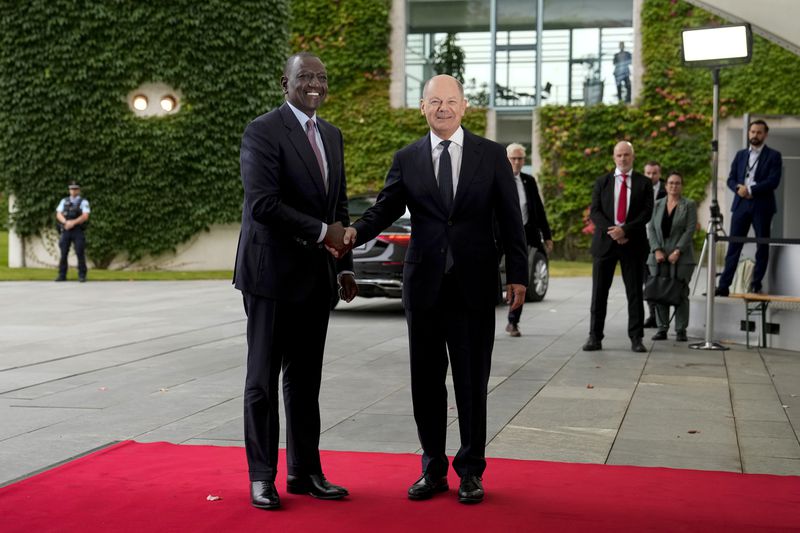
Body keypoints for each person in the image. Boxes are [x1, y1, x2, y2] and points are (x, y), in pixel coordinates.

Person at [338, 75, 528, 504]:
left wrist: (518, 273)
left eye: (450, 101)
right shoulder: (408, 158)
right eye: (434, 101)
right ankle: (433, 469)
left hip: (474, 287)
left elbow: (510, 218)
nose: (443, 108)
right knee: (425, 382)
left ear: (464, 107)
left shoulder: (491, 155)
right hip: (423, 288)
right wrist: (353, 231)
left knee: (471, 381)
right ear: (422, 108)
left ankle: (471, 471)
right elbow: (385, 207)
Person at [233, 52, 358, 511]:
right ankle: (261, 477)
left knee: (306, 381)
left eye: (321, 78)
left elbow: (338, 204)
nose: (315, 84)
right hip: (269, 276)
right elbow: (263, 204)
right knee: (262, 380)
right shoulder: (262, 131)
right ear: (284, 82)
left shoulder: (332, 134)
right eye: (305, 76)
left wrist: (344, 263)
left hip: (315, 277)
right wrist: (325, 233)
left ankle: (305, 472)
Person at [583, 141, 654, 353]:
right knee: (599, 293)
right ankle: (595, 337)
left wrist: (626, 231)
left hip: (633, 245)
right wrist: (614, 231)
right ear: (614, 157)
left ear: (633, 156)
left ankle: (636, 338)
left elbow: (647, 212)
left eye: (626, 155)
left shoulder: (644, 183)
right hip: (605, 244)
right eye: (619, 155)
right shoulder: (601, 182)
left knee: (634, 293)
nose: (623, 159)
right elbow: (595, 212)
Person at [715, 119, 783, 296]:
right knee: (733, 246)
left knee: (762, 245)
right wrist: (738, 189)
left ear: (765, 134)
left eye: (759, 132)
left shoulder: (774, 155)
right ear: (748, 133)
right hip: (740, 205)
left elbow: (773, 181)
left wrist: (751, 189)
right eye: (752, 132)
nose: (755, 135)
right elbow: (730, 179)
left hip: (762, 205)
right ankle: (723, 286)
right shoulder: (740, 155)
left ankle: (756, 284)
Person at [504, 142, 553, 337]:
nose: (516, 162)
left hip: (524, 235)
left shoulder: (528, 181)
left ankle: (513, 321)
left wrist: (547, 236)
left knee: (520, 277)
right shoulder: (496, 179)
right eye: (513, 158)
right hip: (500, 236)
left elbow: (538, 210)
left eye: (520, 159)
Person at [647, 172, 697, 342]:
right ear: (666, 186)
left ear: (681, 186)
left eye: (677, 183)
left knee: (681, 292)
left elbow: (690, 230)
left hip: (681, 257)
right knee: (660, 291)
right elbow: (651, 228)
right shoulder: (657, 204)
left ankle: (681, 329)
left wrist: (677, 251)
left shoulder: (689, 205)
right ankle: (662, 329)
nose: (674, 186)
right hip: (659, 256)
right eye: (671, 183)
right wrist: (656, 249)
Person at [643, 161, 667, 328]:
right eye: (648, 173)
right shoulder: (638, 188)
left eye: (654, 173)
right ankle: (652, 315)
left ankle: (661, 318)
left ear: (660, 174)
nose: (651, 176)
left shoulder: (667, 190)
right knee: (647, 279)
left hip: (660, 241)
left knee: (660, 279)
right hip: (642, 240)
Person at [55, 181, 90, 282]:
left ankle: (82, 275)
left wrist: (73, 223)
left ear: (78, 190)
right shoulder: (64, 201)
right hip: (66, 229)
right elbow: (58, 214)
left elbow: (85, 216)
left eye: (75, 189)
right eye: (71, 189)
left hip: (77, 230)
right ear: (69, 190)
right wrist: (66, 222)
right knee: (64, 252)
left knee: (80, 252)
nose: (73, 191)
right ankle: (62, 275)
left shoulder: (84, 202)